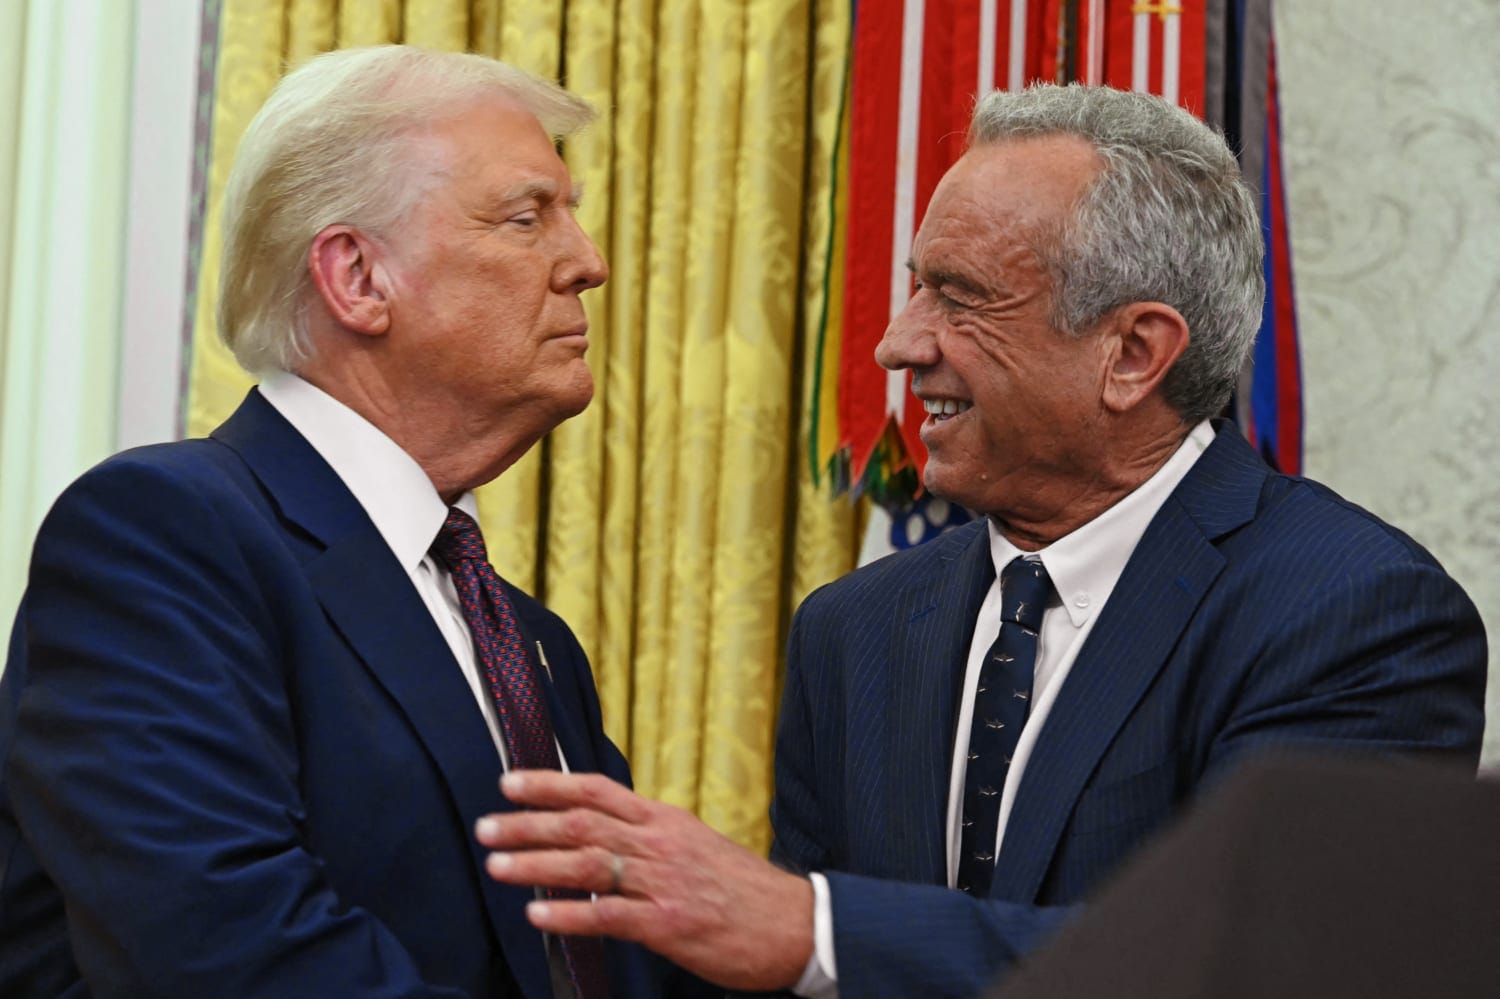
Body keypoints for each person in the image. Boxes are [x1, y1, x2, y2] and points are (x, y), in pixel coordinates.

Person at [468, 83, 1489, 998]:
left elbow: (1263, 969)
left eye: (958, 296)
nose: (899, 343)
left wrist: (816, 931)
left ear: (1134, 353)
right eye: (917, 286)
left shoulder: (1351, 612)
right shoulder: (854, 627)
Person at [0, 45, 665, 998]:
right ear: (357, 276)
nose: (588, 263)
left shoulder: (530, 639)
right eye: (527, 218)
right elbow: (224, 948)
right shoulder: (163, 535)